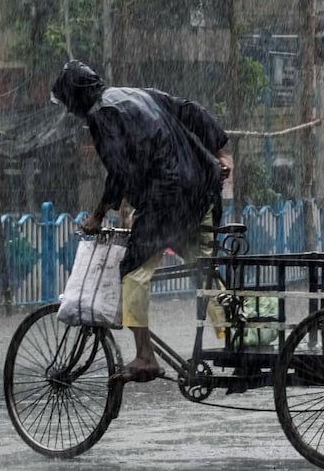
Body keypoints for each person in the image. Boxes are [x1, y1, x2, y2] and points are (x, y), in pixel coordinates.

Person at [50, 60, 231, 384]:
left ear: (74, 100)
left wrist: (98, 213)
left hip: (169, 195)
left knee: (132, 271)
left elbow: (119, 171)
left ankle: (146, 357)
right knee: (202, 267)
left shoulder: (101, 115)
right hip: (202, 187)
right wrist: (218, 149)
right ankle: (242, 332)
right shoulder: (136, 94)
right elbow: (188, 109)